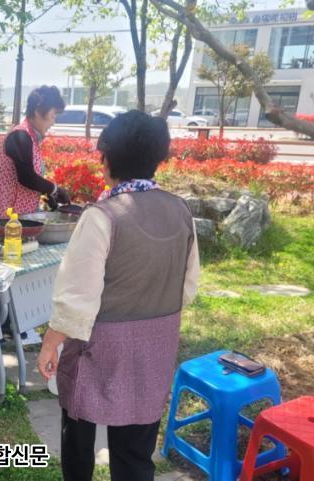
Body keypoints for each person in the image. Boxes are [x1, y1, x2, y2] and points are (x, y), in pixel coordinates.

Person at [37, 110, 200, 481]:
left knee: (78, 431)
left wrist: (50, 343)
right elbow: (188, 286)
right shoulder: (181, 210)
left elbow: (77, 299)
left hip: (100, 348)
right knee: (135, 454)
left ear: (107, 158)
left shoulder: (102, 216)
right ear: (157, 159)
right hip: (156, 346)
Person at [0, 85, 71, 219]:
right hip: (1, 221)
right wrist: (55, 189)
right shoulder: (20, 136)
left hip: (17, 219)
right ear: (37, 111)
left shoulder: (31, 137)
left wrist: (47, 194)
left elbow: (28, 179)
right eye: (53, 116)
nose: (53, 122)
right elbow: (27, 177)